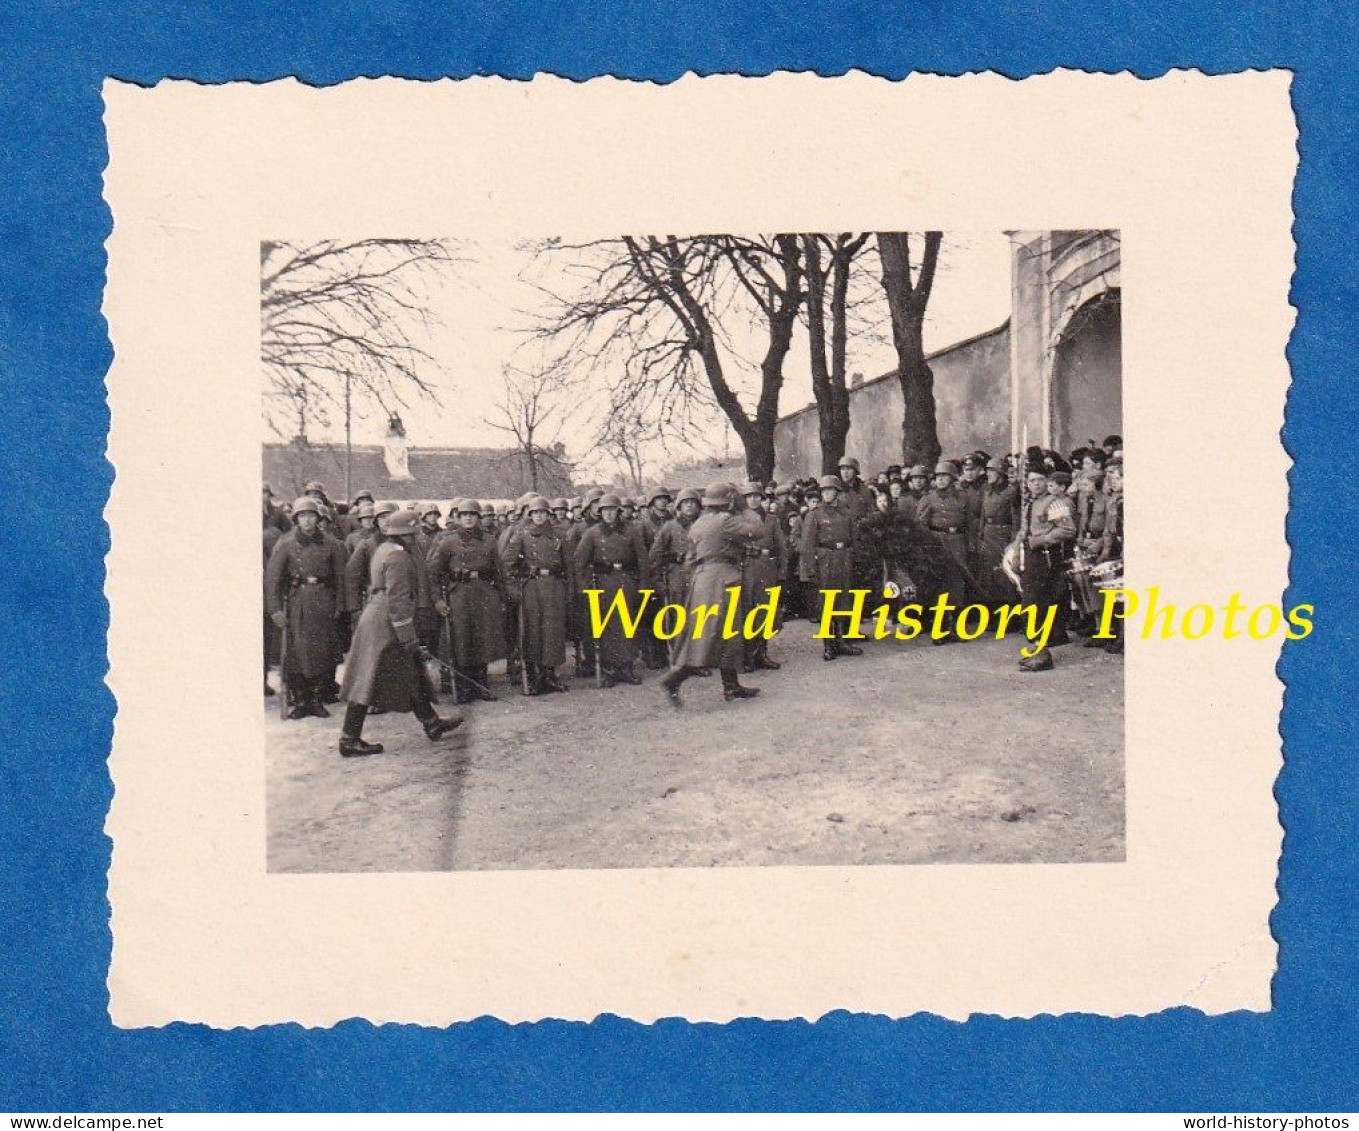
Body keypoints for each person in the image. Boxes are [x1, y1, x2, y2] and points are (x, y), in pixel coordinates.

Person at [336, 509, 463, 756]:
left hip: (378, 616)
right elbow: (398, 599)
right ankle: (349, 738)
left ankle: (431, 722)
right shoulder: (399, 558)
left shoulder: (384, 549)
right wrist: (408, 635)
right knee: (368, 679)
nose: (415, 538)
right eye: (412, 533)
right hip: (386, 623)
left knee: (410, 671)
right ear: (406, 534)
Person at [660, 483, 763, 707]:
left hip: (702, 579)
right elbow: (757, 531)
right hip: (722, 579)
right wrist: (745, 509)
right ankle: (673, 680)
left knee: (715, 634)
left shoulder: (699, 523)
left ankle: (731, 686)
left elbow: (689, 560)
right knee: (715, 635)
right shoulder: (725, 520)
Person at [265, 496, 348, 719]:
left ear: (319, 518)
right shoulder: (286, 543)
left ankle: (316, 699)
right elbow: (272, 579)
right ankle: (301, 700)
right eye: (302, 516)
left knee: (321, 652)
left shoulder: (331, 544)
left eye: (311, 516)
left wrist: (339, 605)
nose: (307, 521)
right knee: (296, 653)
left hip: (323, 601)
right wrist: (275, 610)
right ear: (296, 519)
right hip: (296, 601)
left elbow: (340, 578)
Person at [428, 498, 505, 703]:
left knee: (483, 638)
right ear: (458, 518)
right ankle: (462, 687)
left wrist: (501, 596)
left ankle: (481, 684)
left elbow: (499, 571)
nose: (468, 518)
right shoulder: (448, 542)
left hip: (484, 593)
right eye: (464, 515)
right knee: (461, 639)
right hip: (459, 594)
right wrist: (437, 600)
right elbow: (433, 573)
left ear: (478, 518)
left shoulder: (489, 540)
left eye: (472, 515)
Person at [572, 493, 649, 686]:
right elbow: (579, 562)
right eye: (604, 510)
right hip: (603, 583)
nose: (608, 514)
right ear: (599, 512)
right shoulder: (592, 533)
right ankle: (610, 669)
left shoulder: (631, 531)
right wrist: (585, 587)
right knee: (606, 626)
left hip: (626, 581)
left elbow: (642, 560)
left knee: (628, 623)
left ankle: (627, 667)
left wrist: (642, 585)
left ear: (618, 511)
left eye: (612, 510)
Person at [501, 495, 571, 695]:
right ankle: (533, 677)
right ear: (530, 515)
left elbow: (569, 565)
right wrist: (514, 590)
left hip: (555, 587)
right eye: (535, 513)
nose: (539, 516)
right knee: (532, 633)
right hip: (531, 589)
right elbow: (507, 563)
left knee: (553, 633)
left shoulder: (559, 534)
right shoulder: (522, 535)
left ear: (548, 514)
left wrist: (569, 589)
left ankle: (549, 676)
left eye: (542, 512)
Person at [1016, 467, 1076, 671]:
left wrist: (1042, 540)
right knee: (1030, 603)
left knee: (1037, 603)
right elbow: (1025, 531)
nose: (1036, 484)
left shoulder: (1054, 503)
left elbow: (1068, 529)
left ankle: (1042, 654)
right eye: (1032, 480)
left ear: (1046, 482)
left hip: (1047, 557)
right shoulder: (1030, 503)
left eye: (1040, 480)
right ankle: (1037, 648)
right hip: (1032, 557)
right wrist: (1017, 551)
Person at [799, 474, 863, 661]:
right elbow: (807, 545)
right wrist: (810, 569)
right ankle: (828, 644)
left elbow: (854, 538)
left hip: (843, 559)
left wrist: (854, 558)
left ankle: (841, 641)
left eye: (830, 490)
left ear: (837, 492)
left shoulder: (846, 513)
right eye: (824, 490)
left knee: (843, 600)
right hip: (824, 561)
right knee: (827, 602)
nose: (827, 493)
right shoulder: (814, 515)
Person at [915, 460, 973, 640]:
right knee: (940, 587)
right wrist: (927, 547)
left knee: (956, 586)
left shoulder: (963, 497)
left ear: (952, 478)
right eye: (938, 477)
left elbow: (970, 522)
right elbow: (921, 526)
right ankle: (939, 630)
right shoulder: (929, 499)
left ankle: (954, 628)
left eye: (944, 477)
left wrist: (970, 546)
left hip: (957, 542)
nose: (940, 480)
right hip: (937, 543)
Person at [739, 481, 787, 673]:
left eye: (756, 496)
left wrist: (781, 571)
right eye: (749, 496)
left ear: (762, 498)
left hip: (766, 568)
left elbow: (782, 547)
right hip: (746, 568)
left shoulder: (771, 520)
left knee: (765, 610)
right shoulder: (738, 520)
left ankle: (762, 653)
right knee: (747, 610)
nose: (753, 499)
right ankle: (748, 656)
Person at [977, 457, 1021, 606]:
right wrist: (981, 537)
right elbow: (983, 515)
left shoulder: (1011, 491)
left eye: (991, 471)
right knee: (989, 577)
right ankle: (994, 613)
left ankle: (1009, 616)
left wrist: (1014, 541)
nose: (988, 474)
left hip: (1003, 536)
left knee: (1004, 575)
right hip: (988, 535)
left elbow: (1016, 518)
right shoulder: (986, 490)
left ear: (1000, 472)